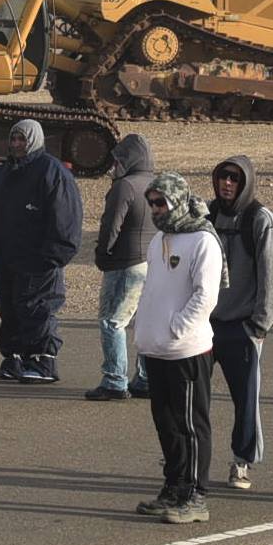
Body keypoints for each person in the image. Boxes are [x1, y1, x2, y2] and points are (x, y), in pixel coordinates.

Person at [130, 172, 224, 524]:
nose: (155, 209)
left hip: (187, 351)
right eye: (151, 203)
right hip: (156, 350)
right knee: (166, 424)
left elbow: (206, 296)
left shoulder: (202, 241)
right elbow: (153, 289)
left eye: (161, 203)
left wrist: (176, 328)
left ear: (177, 201)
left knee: (190, 424)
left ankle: (196, 495)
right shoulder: (160, 240)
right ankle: (174, 486)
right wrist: (146, 327)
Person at [0, 119, 83, 383]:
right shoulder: (4, 172)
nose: (16, 145)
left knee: (36, 306)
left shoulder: (52, 171)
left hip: (39, 258)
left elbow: (66, 218)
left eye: (22, 140)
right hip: (6, 256)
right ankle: (15, 356)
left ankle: (42, 359)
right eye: (13, 139)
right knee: (9, 307)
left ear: (34, 140)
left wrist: (53, 255)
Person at [208, 156, 273, 490]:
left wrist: (259, 325)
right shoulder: (206, 216)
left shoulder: (261, 220)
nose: (227, 183)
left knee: (246, 400)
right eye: (223, 177)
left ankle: (242, 461)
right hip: (205, 325)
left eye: (234, 179)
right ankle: (189, 461)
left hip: (242, 326)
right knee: (191, 397)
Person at [86, 132, 155, 402]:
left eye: (118, 160)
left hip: (125, 263)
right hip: (152, 264)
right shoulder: (157, 183)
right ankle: (146, 379)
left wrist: (103, 254)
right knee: (143, 322)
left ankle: (115, 380)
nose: (113, 166)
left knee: (112, 321)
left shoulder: (125, 187)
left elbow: (111, 225)